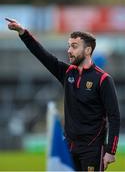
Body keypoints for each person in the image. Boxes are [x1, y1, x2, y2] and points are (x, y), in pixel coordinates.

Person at [6, 18, 120, 171]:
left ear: (87, 50)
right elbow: (42, 55)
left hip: (92, 149)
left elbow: (114, 117)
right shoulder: (67, 73)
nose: (69, 50)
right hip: (69, 147)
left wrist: (110, 151)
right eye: (68, 46)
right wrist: (22, 33)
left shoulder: (103, 79)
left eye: (74, 46)